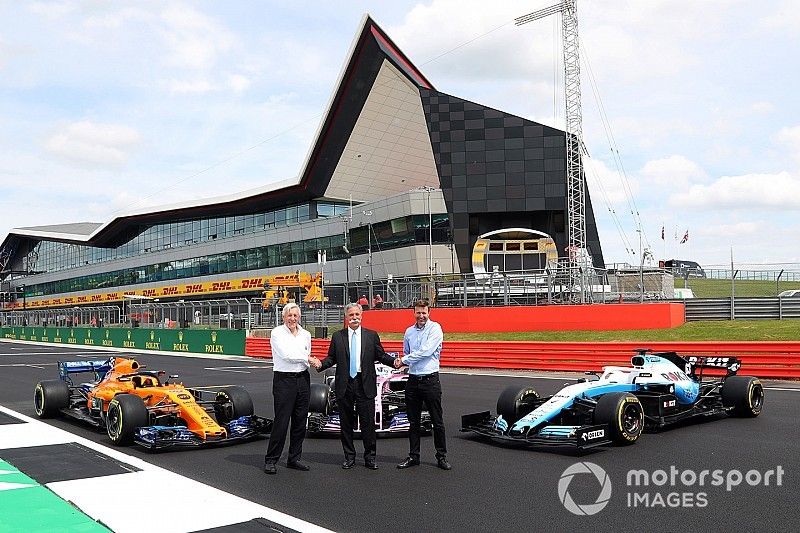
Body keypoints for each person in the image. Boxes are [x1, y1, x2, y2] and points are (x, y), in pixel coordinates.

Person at [315, 302, 396, 470]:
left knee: (368, 423)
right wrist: (320, 364)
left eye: (357, 315)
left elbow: (381, 355)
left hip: (364, 383)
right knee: (346, 423)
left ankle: (370, 457)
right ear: (346, 317)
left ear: (361, 316)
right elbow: (332, 358)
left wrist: (394, 362)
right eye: (351, 315)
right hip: (344, 384)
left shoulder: (371, 336)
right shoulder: (338, 336)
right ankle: (349, 457)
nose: (354, 318)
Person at [264, 303, 319, 475]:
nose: (292, 319)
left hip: (303, 379)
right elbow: (286, 355)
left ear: (299, 317)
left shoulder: (306, 334)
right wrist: (308, 359)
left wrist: (307, 360)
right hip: (284, 380)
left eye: (295, 315)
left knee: (300, 421)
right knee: (281, 421)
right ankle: (271, 459)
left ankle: (294, 458)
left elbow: (305, 356)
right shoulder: (277, 333)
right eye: (289, 315)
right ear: (283, 317)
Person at [396, 299, 451, 470]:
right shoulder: (409, 332)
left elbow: (426, 351)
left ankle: (441, 456)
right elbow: (406, 351)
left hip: (430, 380)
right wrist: (405, 359)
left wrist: (404, 360)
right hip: (413, 380)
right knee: (413, 422)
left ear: (429, 313)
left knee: (437, 420)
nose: (421, 316)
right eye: (418, 312)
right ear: (414, 313)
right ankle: (414, 456)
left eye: (424, 312)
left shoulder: (435, 328)